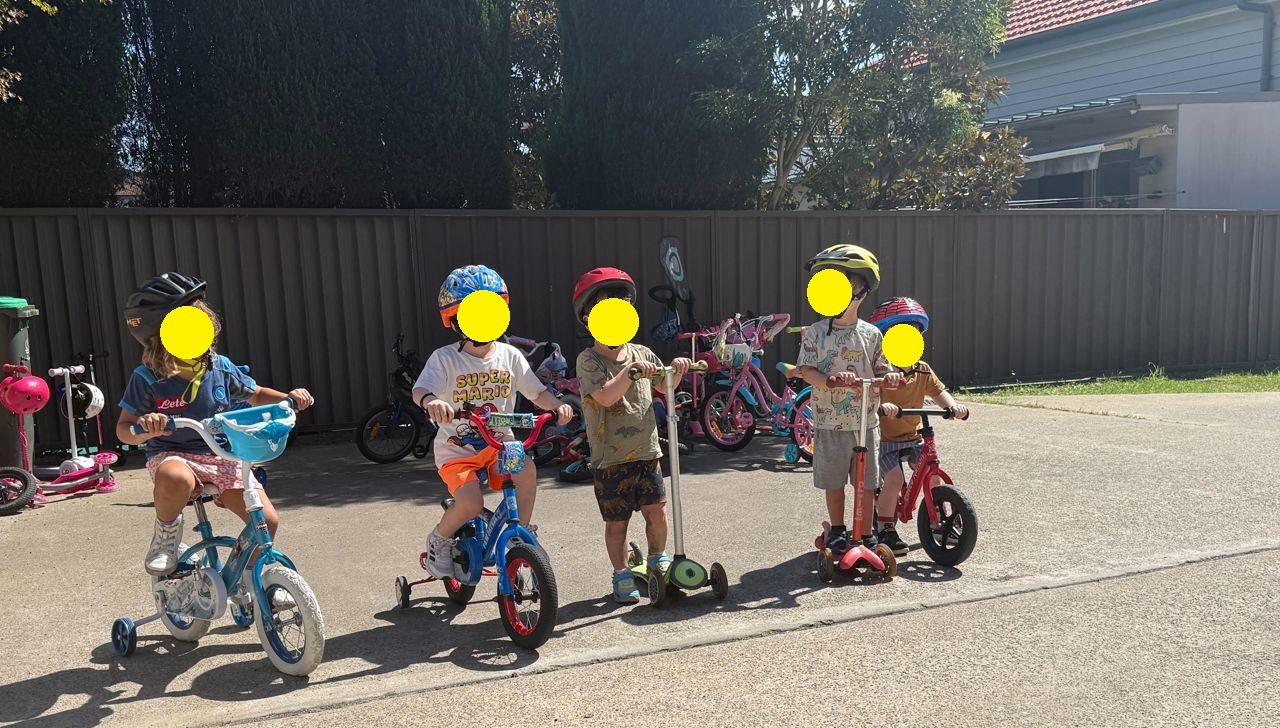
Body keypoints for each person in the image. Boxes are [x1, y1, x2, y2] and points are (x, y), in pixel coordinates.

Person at [115, 272, 314, 581]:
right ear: (160, 335)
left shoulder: (218, 367)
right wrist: (145, 427)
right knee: (174, 477)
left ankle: (246, 577)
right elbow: (123, 429)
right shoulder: (147, 378)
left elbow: (256, 393)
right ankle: (166, 535)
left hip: (221, 454)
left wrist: (288, 399)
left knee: (266, 522)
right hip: (174, 454)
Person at [414, 265, 573, 579]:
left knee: (526, 470)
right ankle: (440, 539)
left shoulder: (509, 356)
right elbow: (421, 389)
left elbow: (536, 392)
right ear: (456, 319)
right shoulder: (445, 358)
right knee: (471, 503)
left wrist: (557, 406)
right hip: (456, 449)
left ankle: (519, 532)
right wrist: (432, 402)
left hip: (500, 443)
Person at [572, 267, 691, 604]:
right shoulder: (589, 360)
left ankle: (658, 559)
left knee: (657, 511)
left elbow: (664, 387)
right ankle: (621, 573)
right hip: (611, 458)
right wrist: (628, 372)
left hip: (646, 452)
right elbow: (606, 397)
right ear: (589, 318)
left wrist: (677, 370)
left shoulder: (641, 353)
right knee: (617, 522)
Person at [793, 245, 904, 555]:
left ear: (862, 293)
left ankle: (866, 533)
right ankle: (839, 530)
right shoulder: (815, 333)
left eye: (846, 286)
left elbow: (884, 369)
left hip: (864, 423)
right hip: (829, 421)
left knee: (867, 483)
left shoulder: (871, 335)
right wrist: (828, 380)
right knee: (834, 481)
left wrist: (891, 378)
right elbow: (806, 370)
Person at [867, 297, 969, 556]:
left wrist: (953, 407)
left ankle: (938, 520)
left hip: (912, 435)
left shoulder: (923, 370)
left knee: (931, 473)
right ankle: (885, 527)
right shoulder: (883, 370)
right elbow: (872, 391)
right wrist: (882, 405)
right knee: (894, 479)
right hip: (885, 438)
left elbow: (939, 392)